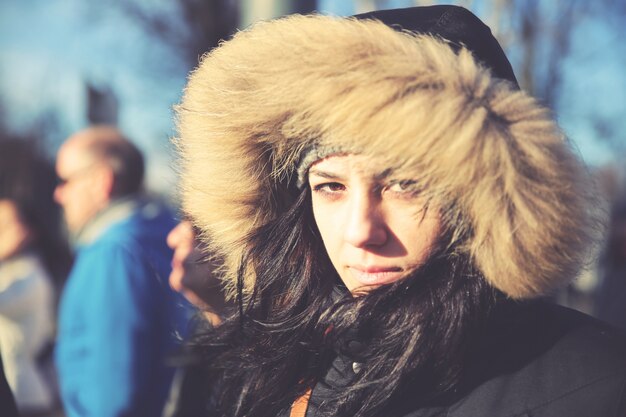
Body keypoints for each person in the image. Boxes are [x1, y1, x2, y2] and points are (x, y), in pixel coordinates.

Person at [173, 5, 626, 417]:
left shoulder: (597, 386)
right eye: (330, 186)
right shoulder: (276, 366)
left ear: (485, 197)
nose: (360, 231)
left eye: (406, 186)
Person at [53, 125, 191, 417]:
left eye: (65, 180)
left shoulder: (112, 254)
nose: (58, 194)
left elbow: (110, 393)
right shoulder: (155, 236)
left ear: (102, 181)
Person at [0, 137, 71, 416]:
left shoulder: (30, 275)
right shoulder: (11, 271)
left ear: (26, 232)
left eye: (5, 226)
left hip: (24, 397)